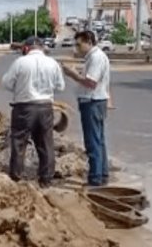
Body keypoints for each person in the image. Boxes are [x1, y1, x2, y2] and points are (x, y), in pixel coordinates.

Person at [1, 36, 65, 188]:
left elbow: (8, 83)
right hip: (45, 108)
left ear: (26, 48)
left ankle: (16, 178)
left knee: (19, 143)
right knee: (46, 143)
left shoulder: (20, 63)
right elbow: (60, 86)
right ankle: (46, 179)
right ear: (42, 48)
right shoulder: (52, 63)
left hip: (24, 108)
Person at [61, 30, 112, 187]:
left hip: (92, 101)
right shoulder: (93, 57)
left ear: (89, 41)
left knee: (93, 142)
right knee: (99, 140)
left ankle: (95, 177)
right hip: (96, 101)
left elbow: (91, 83)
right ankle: (101, 173)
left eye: (79, 44)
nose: (77, 48)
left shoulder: (96, 58)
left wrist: (72, 74)